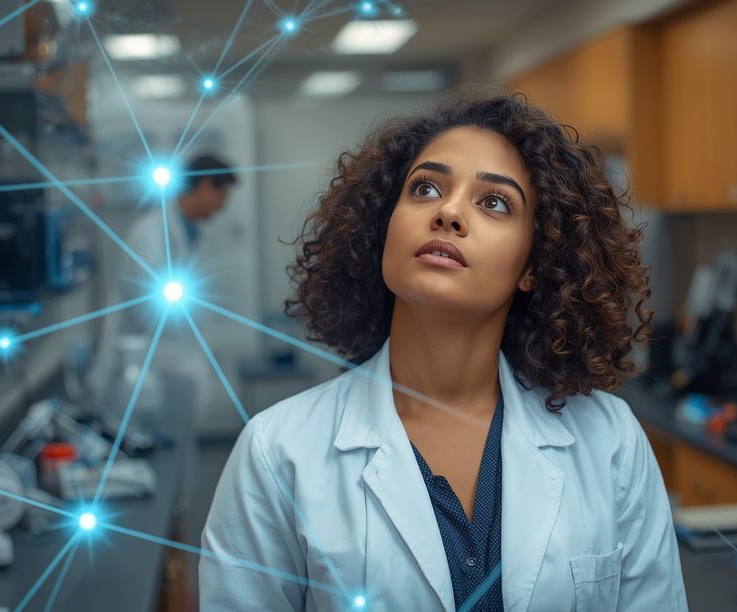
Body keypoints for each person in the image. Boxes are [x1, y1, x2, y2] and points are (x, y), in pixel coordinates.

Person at [199, 94, 687, 611]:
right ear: (384, 228)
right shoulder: (278, 452)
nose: (449, 212)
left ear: (532, 266)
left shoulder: (610, 440)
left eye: (494, 202)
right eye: (425, 188)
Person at [88, 155, 237, 431]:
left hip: (170, 361)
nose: (222, 205)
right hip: (145, 364)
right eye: (222, 195)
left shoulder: (190, 233)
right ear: (205, 185)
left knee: (176, 440)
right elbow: (152, 307)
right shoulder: (152, 231)